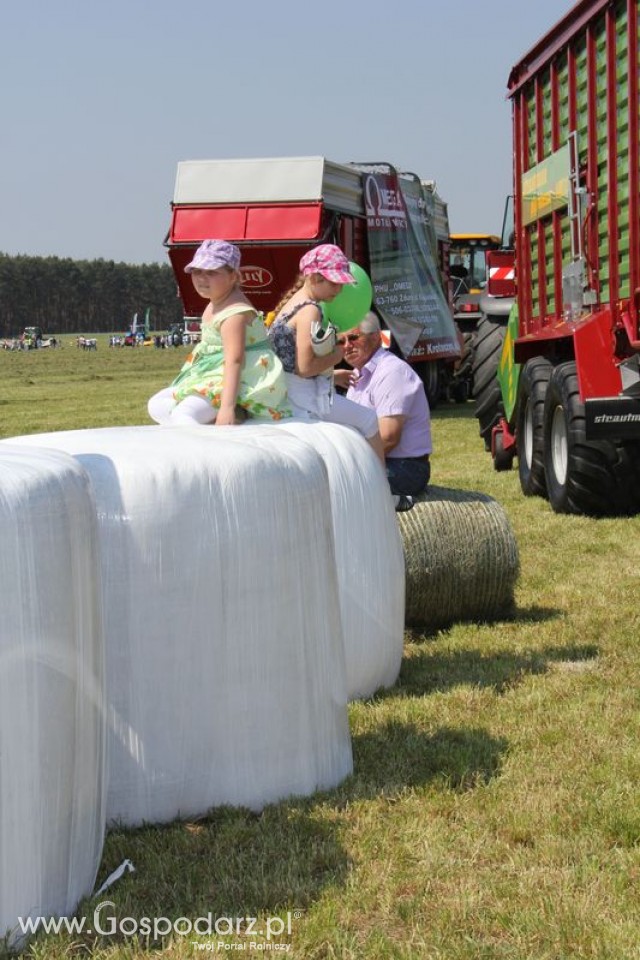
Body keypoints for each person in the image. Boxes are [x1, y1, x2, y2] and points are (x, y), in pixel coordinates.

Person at [148, 240, 291, 426]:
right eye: (197, 271)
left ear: (233, 276)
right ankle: (213, 419)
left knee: (183, 415)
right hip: (211, 376)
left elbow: (235, 360)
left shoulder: (234, 312)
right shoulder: (215, 302)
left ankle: (216, 435)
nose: (201, 278)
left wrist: (227, 407)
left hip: (235, 382)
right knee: (156, 404)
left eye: (211, 272)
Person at [268, 244, 385, 463]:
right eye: (335, 283)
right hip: (304, 396)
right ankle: (383, 488)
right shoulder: (310, 310)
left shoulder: (290, 305)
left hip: (287, 390)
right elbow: (305, 368)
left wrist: (332, 374)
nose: (339, 290)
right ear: (314, 278)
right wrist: (338, 354)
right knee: (369, 420)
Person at [334, 311, 431, 508]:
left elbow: (388, 438)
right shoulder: (357, 376)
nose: (347, 346)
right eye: (340, 341)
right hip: (381, 461)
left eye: (353, 337)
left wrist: (346, 462)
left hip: (405, 467)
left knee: (339, 489)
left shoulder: (392, 372)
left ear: (376, 336)